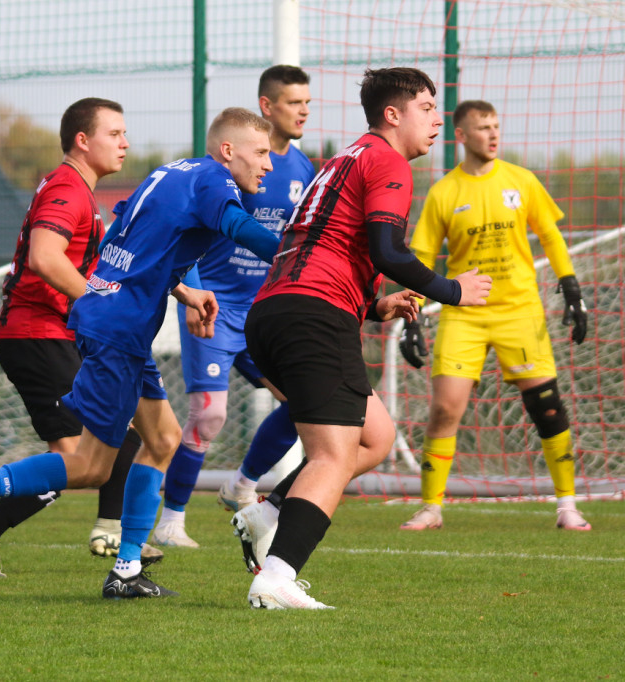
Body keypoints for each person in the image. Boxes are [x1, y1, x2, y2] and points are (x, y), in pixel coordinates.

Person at [0, 107, 282, 599]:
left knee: (162, 439)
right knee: (91, 464)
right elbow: (238, 228)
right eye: (261, 153)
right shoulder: (214, 181)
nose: (268, 164)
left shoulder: (171, 172)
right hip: (114, 328)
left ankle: (127, 570)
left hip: (117, 326)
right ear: (228, 151)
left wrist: (182, 290)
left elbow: (134, 241)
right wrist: (296, 249)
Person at [233, 67, 492, 610]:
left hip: (276, 312)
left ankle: (269, 511)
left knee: (374, 436)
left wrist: (375, 305)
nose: (437, 117)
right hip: (311, 315)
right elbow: (387, 251)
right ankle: (276, 577)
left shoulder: (342, 160)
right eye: (427, 106)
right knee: (333, 454)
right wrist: (451, 290)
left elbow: (324, 246)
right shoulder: (389, 161)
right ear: (392, 115)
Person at [0, 97, 162, 578]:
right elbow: (45, 256)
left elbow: (101, 263)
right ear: (82, 141)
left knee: (106, 443)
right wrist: (99, 306)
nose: (125, 143)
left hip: (47, 335)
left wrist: (181, 287)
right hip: (36, 335)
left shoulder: (79, 192)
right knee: (84, 454)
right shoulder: (68, 187)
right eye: (115, 134)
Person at [398, 100, 591, 532]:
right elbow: (422, 258)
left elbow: (552, 237)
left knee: (546, 406)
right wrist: (410, 315)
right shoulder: (444, 192)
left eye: (496, 126)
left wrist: (571, 288)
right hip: (463, 314)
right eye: (483, 127)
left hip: (519, 311)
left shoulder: (521, 181)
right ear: (462, 136)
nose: (493, 134)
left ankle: (567, 506)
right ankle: (431, 507)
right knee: (445, 409)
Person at [152, 65, 315, 548]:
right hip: (216, 309)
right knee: (209, 415)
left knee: (306, 401)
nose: (304, 110)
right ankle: (171, 519)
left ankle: (241, 485)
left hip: (264, 312)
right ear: (268, 106)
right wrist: (192, 294)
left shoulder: (304, 169)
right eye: (293, 102)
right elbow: (192, 237)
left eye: (308, 102)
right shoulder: (217, 173)